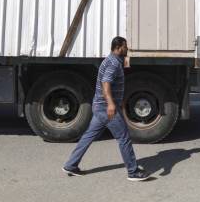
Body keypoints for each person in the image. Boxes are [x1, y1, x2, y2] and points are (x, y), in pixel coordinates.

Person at [63, 36, 149, 181]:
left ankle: (71, 165)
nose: (127, 48)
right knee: (124, 138)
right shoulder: (113, 64)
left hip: (99, 106)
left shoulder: (111, 60)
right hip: (105, 108)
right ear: (118, 47)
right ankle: (133, 172)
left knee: (88, 136)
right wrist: (110, 103)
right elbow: (106, 83)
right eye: (125, 46)